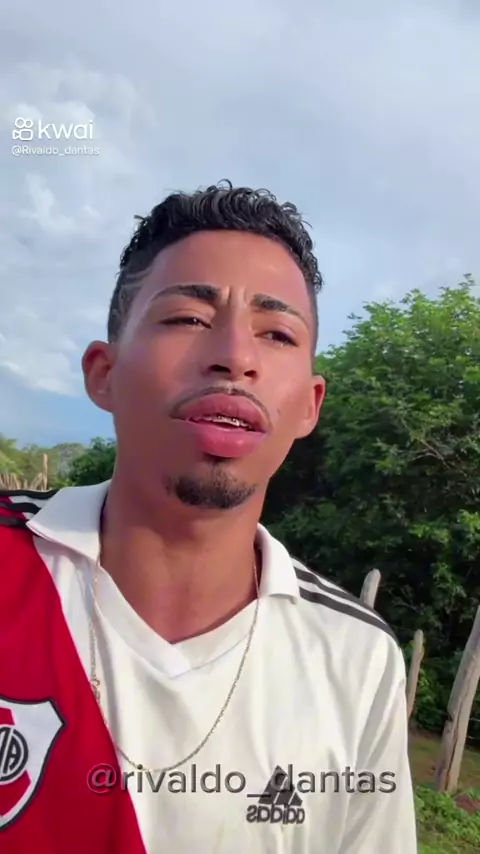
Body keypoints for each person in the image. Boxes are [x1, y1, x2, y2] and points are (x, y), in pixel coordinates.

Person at [0, 181, 417, 853]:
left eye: (277, 333)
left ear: (309, 406)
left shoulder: (357, 660)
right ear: (103, 373)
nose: (235, 358)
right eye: (189, 318)